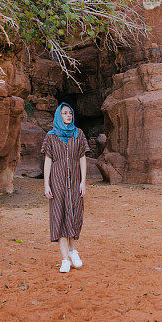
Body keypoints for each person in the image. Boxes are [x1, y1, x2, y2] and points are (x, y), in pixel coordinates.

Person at [41, 103, 91, 273]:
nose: (68, 115)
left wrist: (83, 181)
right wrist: (46, 183)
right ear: (58, 115)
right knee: (60, 215)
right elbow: (48, 160)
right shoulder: (51, 136)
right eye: (64, 113)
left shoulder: (79, 134)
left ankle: (73, 250)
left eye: (70, 113)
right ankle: (64, 260)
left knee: (74, 213)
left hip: (75, 180)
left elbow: (82, 158)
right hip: (57, 181)